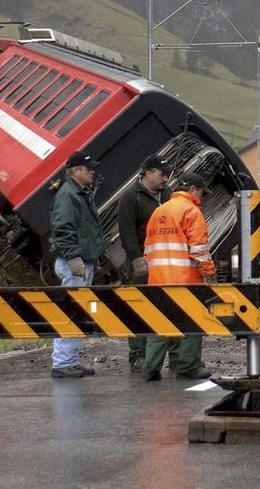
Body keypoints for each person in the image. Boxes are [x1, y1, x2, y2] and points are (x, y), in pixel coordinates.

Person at [142, 172, 215, 381]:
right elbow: (199, 249)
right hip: (185, 279)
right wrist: (209, 273)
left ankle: (151, 368)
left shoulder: (159, 211)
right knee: (192, 324)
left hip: (158, 279)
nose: (201, 196)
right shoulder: (191, 211)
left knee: (160, 324)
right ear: (192, 189)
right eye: (201, 191)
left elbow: (148, 249)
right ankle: (188, 368)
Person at [48, 150, 106, 378]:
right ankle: (62, 362)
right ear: (76, 170)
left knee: (77, 310)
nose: (92, 172)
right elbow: (62, 229)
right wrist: (73, 257)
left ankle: (69, 360)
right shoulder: (69, 195)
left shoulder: (79, 193)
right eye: (88, 168)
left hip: (81, 260)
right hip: (74, 261)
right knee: (72, 310)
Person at [115, 154, 170, 371]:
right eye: (161, 174)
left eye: (167, 174)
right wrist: (136, 258)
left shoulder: (166, 194)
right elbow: (126, 230)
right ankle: (137, 355)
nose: (166, 178)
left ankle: (167, 356)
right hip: (142, 261)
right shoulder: (131, 197)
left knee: (164, 306)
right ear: (148, 173)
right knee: (139, 307)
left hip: (164, 261)